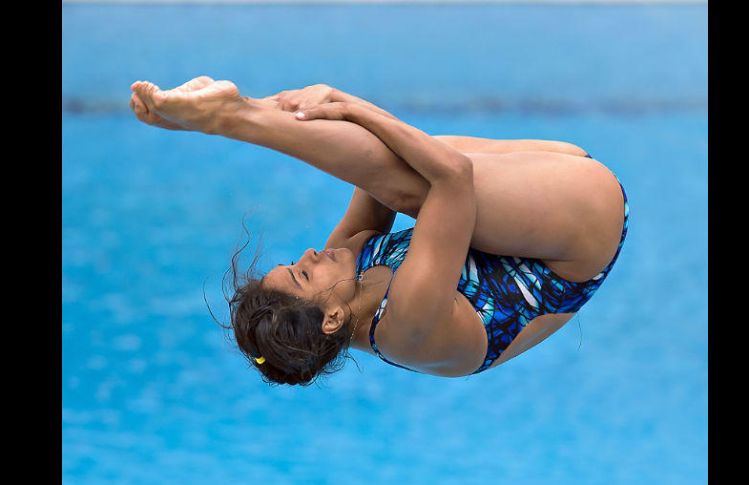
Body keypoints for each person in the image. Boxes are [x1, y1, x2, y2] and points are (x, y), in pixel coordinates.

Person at [129, 77, 629, 385]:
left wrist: (326, 103)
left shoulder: (341, 286)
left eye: (292, 265)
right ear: (330, 320)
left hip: (544, 183)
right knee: (416, 180)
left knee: (398, 172)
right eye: (302, 275)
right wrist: (348, 104)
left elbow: (370, 168)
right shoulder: (408, 329)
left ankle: (242, 110)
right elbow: (453, 178)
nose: (308, 254)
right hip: (581, 227)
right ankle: (229, 119)